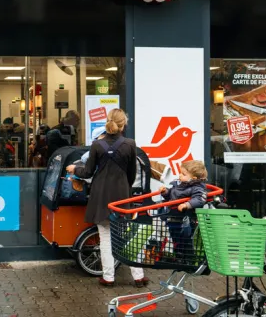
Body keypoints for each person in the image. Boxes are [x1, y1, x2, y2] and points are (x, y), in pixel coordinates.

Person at [66, 109, 148, 288]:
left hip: (100, 196)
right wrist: (124, 188)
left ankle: (108, 277)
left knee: (105, 237)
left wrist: (74, 169)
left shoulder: (97, 145)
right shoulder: (130, 144)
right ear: (123, 124)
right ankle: (138, 276)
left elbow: (88, 172)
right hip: (122, 196)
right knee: (129, 236)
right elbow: (131, 174)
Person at [159, 160, 209, 253]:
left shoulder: (197, 188)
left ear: (193, 178)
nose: (180, 175)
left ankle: (187, 258)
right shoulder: (179, 185)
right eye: (180, 173)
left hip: (186, 221)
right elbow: (171, 195)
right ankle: (179, 257)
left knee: (185, 243)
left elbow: (200, 199)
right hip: (173, 218)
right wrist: (165, 192)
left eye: (183, 174)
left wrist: (187, 205)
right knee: (176, 242)